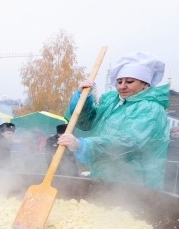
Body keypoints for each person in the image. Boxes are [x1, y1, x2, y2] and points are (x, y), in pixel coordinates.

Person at [57, 51, 170, 190]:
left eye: (129, 81)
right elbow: (86, 122)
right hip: (104, 177)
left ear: (145, 84)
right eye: (119, 81)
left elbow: (130, 142)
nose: (122, 86)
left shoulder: (150, 108)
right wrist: (83, 98)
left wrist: (85, 145)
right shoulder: (113, 102)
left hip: (136, 184)